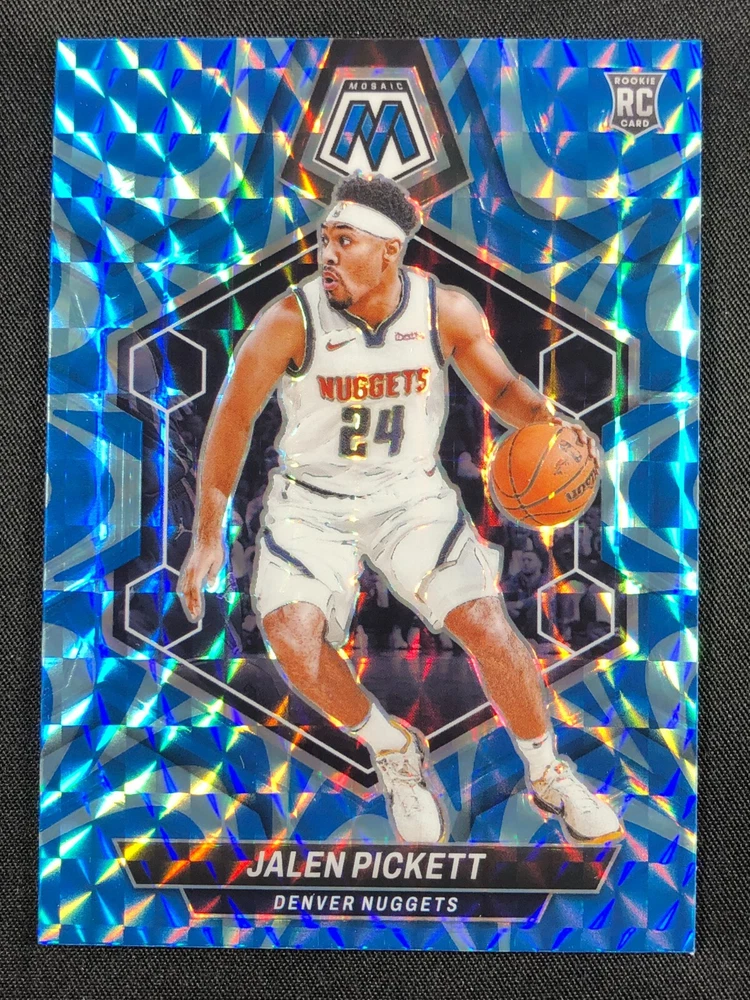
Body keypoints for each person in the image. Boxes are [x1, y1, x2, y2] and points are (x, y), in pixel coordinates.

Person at [179, 172, 622, 846]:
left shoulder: (445, 310)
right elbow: (232, 420)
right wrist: (207, 535)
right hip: (312, 504)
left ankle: (547, 771)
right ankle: (392, 748)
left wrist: (553, 424)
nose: (326, 254)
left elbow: (503, 389)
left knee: (486, 624)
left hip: (410, 496)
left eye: (344, 241)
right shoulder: (288, 320)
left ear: (388, 250)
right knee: (291, 638)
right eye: (324, 239)